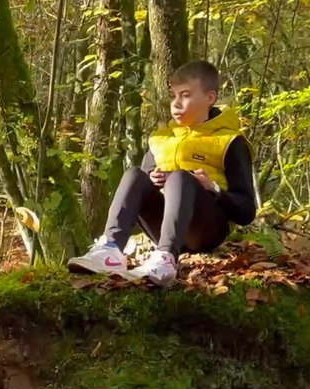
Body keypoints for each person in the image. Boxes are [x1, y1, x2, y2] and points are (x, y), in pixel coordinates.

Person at [66, 60, 257, 287]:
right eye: (174, 95)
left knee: (180, 177)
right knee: (134, 175)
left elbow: (247, 212)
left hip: (205, 231)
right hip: (162, 226)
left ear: (210, 98)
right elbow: (139, 193)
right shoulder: (161, 139)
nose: (176, 103)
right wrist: (154, 181)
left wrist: (213, 188)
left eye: (185, 95)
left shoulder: (230, 141)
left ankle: (165, 260)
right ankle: (110, 249)